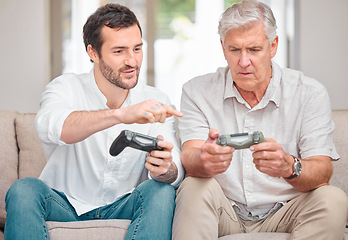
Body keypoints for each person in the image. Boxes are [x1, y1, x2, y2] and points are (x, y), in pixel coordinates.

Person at [5, 3, 184, 240]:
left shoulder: (156, 100)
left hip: (125, 205)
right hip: (63, 205)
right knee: (24, 189)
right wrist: (120, 115)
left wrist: (166, 169)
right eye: (119, 51)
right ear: (93, 53)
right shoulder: (65, 87)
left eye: (137, 49)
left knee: (160, 191)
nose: (132, 61)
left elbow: (176, 169)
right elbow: (51, 128)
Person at [172, 0, 348, 239]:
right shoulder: (196, 92)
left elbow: (322, 171)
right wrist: (203, 159)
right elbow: (190, 156)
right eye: (235, 50)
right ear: (223, 48)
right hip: (225, 210)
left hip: (288, 210)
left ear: (273, 46)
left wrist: (289, 166)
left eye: (254, 50)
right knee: (193, 186)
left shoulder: (310, 93)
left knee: (333, 198)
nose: (243, 62)